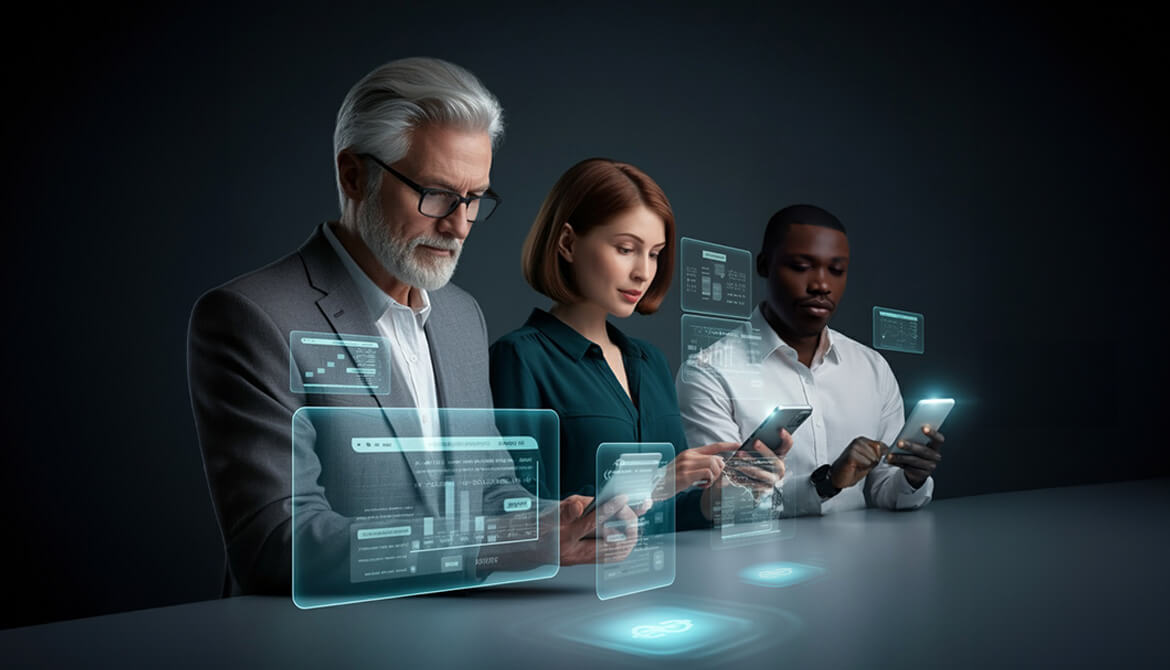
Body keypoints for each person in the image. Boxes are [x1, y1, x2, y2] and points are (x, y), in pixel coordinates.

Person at [187, 58, 626, 597]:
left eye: (475, 199)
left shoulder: (462, 316)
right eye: (437, 194)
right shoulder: (252, 317)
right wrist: (497, 544)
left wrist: (569, 521)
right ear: (354, 175)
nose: (459, 225)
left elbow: (489, 491)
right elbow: (279, 544)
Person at [489, 158, 792, 530]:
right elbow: (523, 512)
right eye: (625, 248)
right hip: (577, 582)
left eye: (654, 253)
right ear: (567, 243)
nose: (644, 272)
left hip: (665, 575)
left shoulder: (650, 362)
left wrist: (717, 497)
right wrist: (652, 484)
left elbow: (673, 510)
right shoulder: (521, 357)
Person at [676, 204, 945, 517]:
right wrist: (826, 483)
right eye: (802, 266)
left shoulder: (872, 369)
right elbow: (723, 506)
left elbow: (886, 490)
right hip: (756, 562)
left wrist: (912, 478)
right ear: (764, 265)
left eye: (836, 270)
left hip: (865, 561)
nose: (821, 285)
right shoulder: (708, 373)